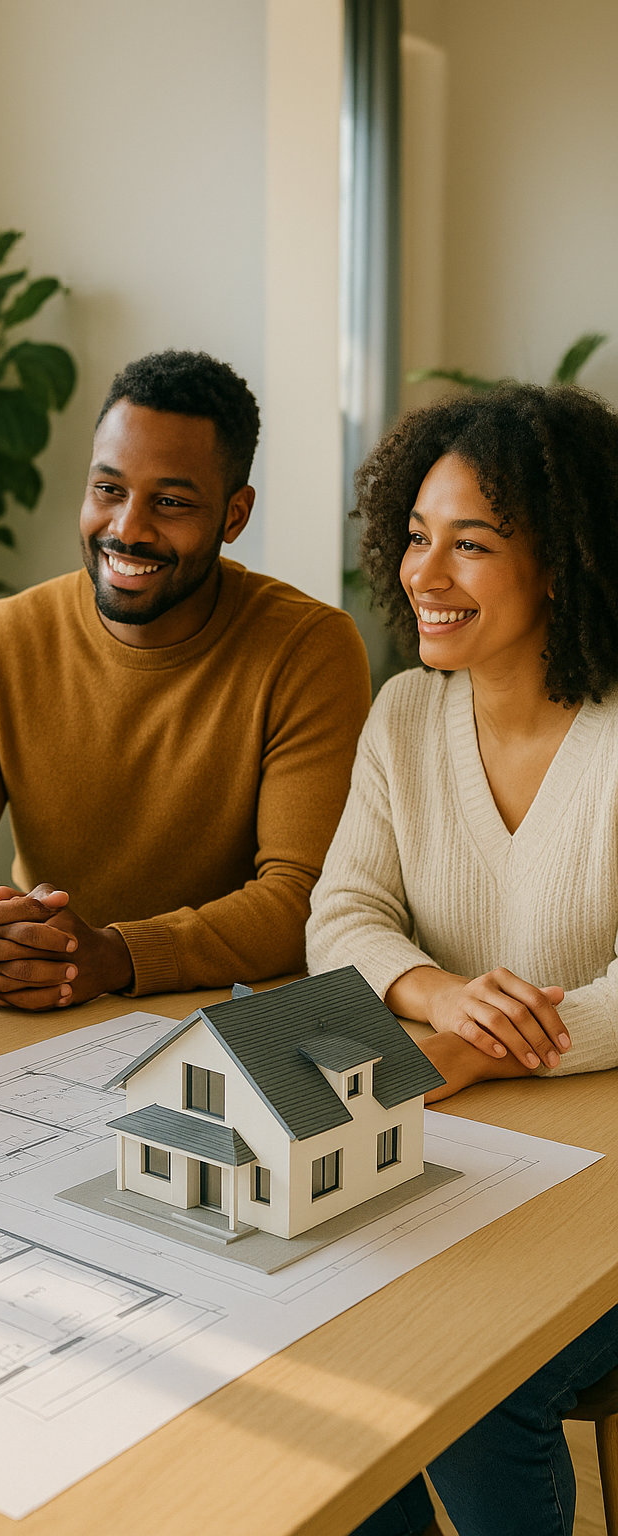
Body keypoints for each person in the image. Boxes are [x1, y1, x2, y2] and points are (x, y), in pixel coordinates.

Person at [305, 383, 618, 1535]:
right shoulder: (402, 717)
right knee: (343, 1344)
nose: (422, 575)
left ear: (562, 564)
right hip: (464, 1140)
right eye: (416, 538)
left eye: (470, 546)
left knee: (479, 1392)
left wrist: (485, 1053)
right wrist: (437, 997)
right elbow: (340, 914)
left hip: (592, 1175)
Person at [0, 350, 370, 1008]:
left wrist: (116, 954)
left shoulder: (308, 649)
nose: (127, 529)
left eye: (170, 502)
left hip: (234, 1014)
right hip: (48, 1010)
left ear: (234, 515)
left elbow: (301, 896)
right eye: (109, 490)